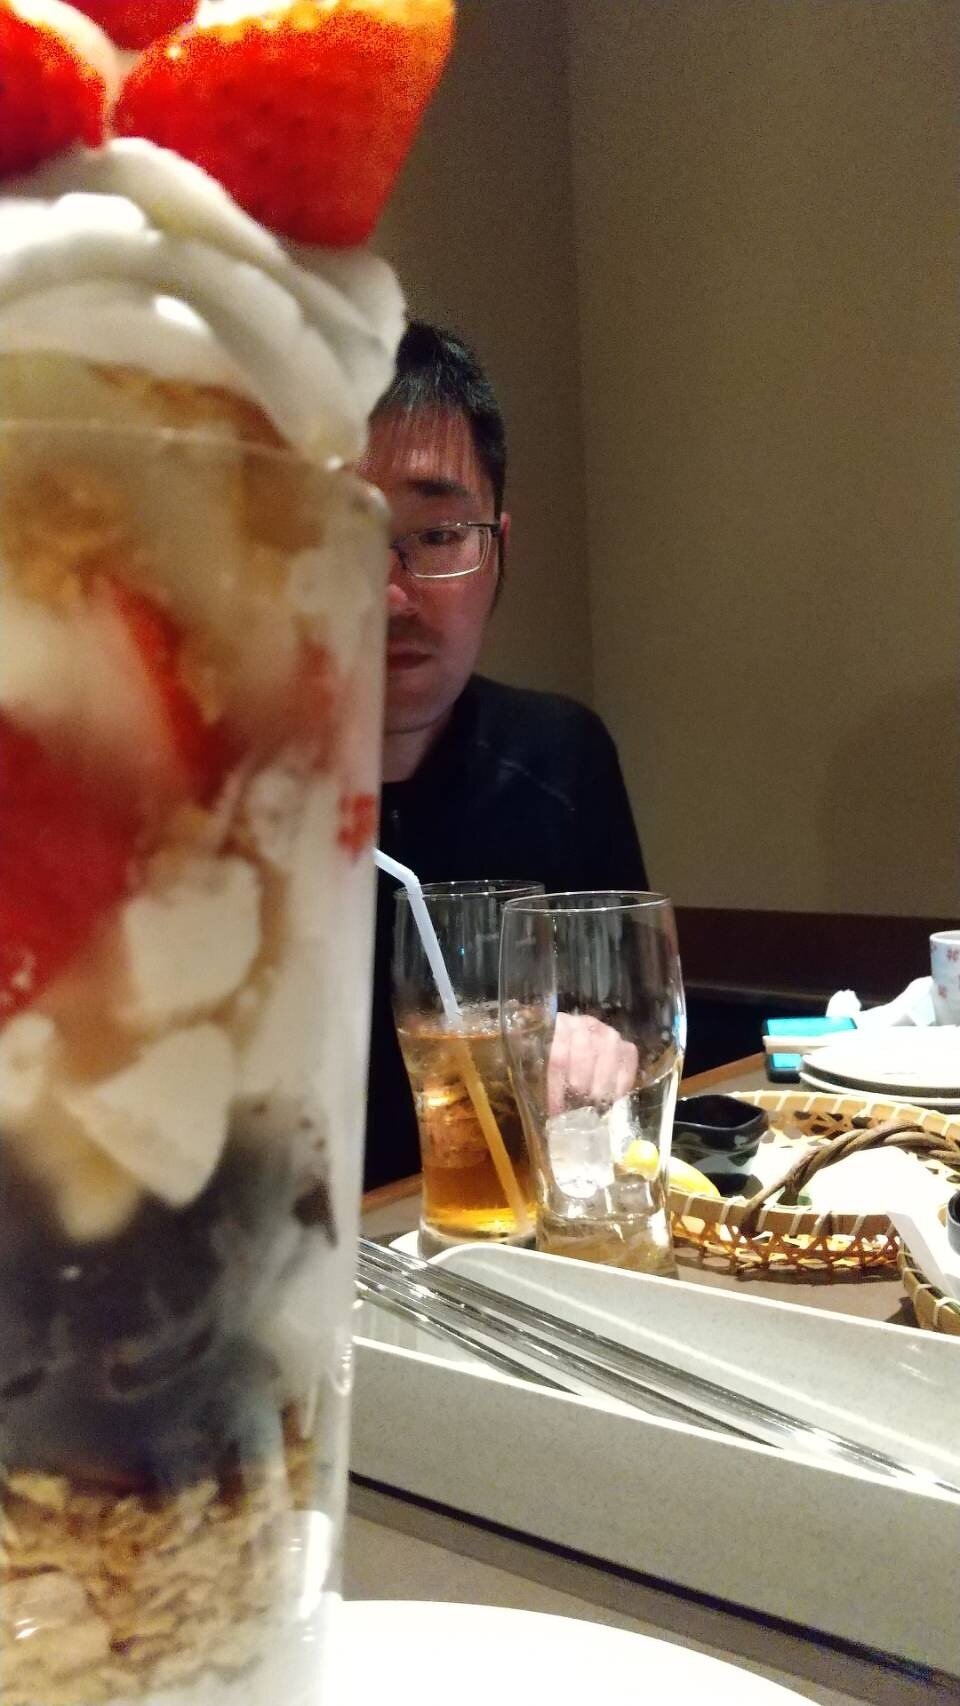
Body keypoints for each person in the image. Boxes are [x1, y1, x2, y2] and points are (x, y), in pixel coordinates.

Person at [358, 321, 649, 1190]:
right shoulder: (200, 810)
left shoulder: (560, 759)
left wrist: (603, 1054)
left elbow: (637, 1033)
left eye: (439, 535)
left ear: (499, 552)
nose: (390, 596)